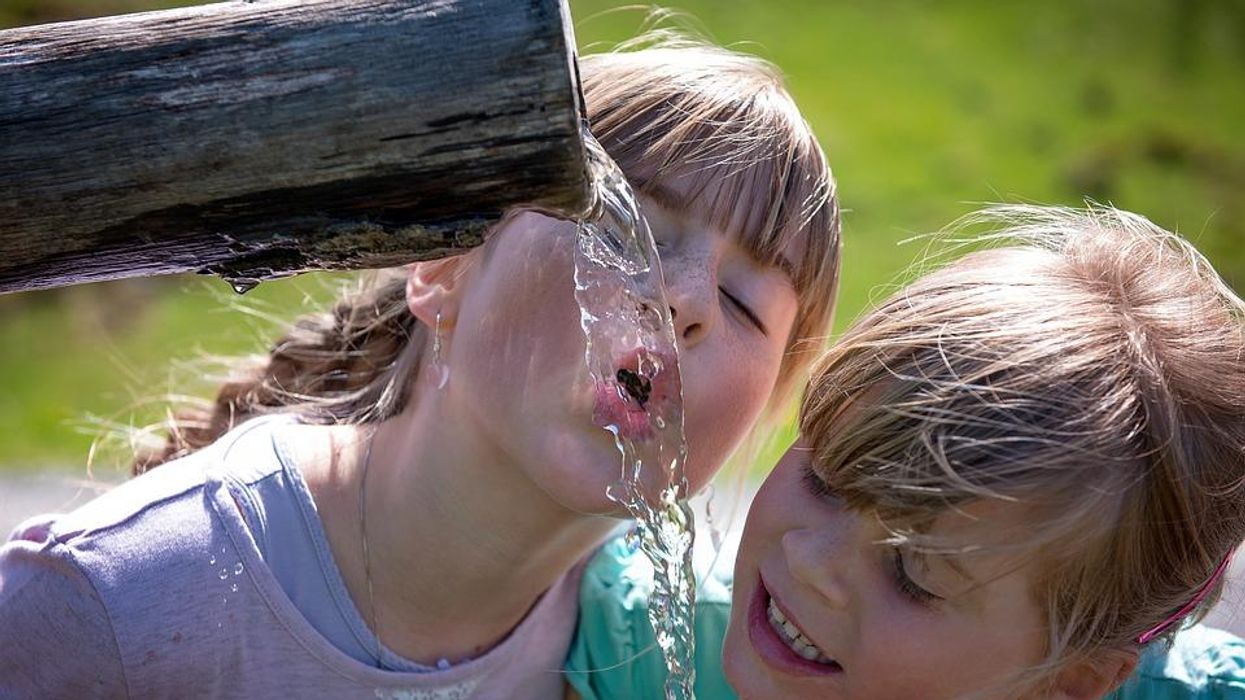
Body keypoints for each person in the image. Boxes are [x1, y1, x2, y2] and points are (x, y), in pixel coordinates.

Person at [0, 37, 840, 698]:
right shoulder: (111, 604)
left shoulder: (675, 651)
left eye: (741, 304)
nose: (683, 298)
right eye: (625, 231)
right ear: (442, 269)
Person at [567, 204, 1245, 699]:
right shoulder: (631, 649)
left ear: (1070, 678)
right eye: (825, 480)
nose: (808, 560)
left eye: (911, 574)